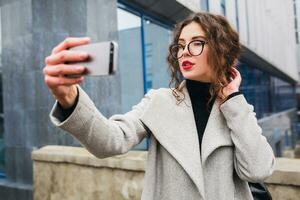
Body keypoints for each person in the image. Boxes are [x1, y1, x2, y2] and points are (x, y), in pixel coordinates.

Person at [43, 12, 275, 200]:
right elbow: (110, 140)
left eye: (197, 43)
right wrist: (69, 98)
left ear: (222, 51)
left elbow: (257, 170)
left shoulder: (237, 111)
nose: (185, 51)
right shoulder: (159, 101)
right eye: (181, 45)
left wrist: (232, 99)